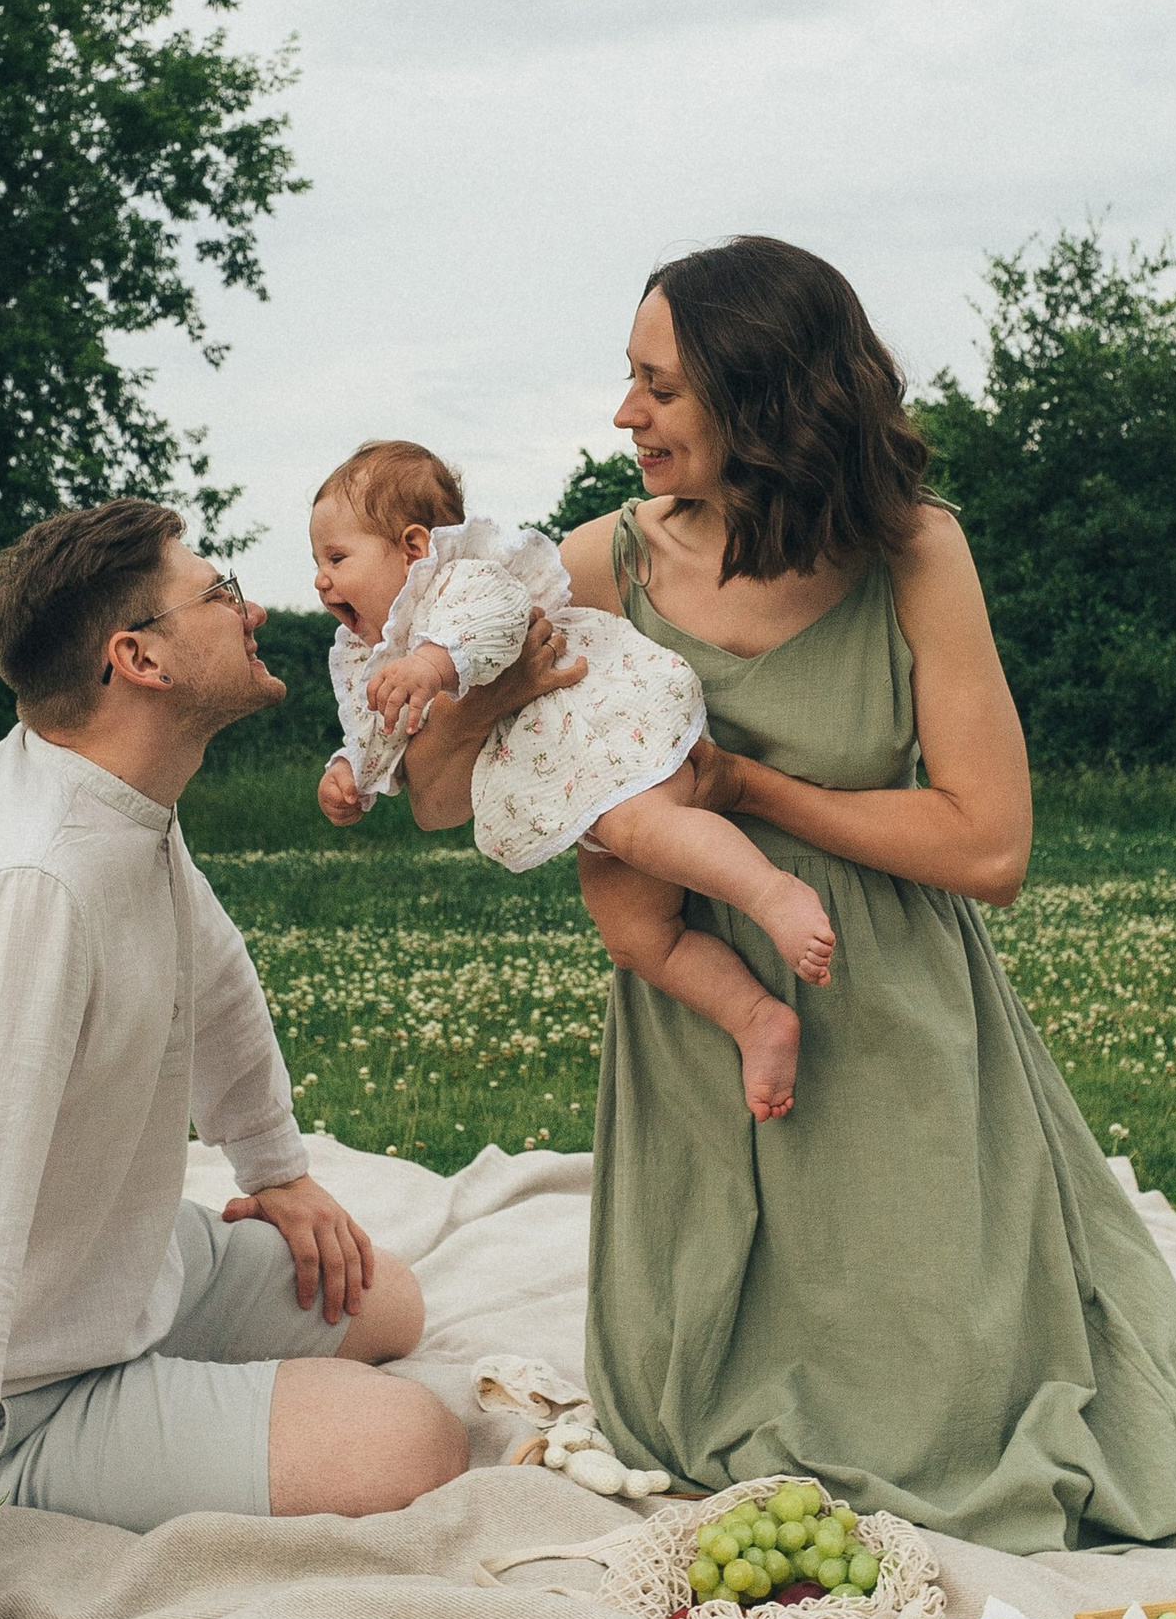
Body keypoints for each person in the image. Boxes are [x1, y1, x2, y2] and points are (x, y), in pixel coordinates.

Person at [403, 237, 1176, 1552]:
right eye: (630, 380)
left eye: (659, 386)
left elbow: (989, 848)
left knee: (953, 1433)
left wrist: (748, 791)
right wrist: (496, 695)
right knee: (678, 1419)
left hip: (884, 1000)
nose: (626, 414)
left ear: (765, 397)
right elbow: (440, 797)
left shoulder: (915, 552)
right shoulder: (600, 564)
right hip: (701, 1030)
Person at [0, 500, 471, 1619]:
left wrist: (276, 1174)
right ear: (140, 658)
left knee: (387, 1299)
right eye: (219, 587)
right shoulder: (24, 892)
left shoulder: (122, 806)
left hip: (107, 1275)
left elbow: (209, 977)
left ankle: (186, 1377)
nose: (255, 603)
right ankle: (81, 1454)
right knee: (416, 1443)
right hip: (15, 1391)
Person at [308, 437, 835, 1119]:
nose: (321, 580)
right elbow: (374, 727)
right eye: (316, 562)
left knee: (640, 826)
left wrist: (435, 667)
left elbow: (495, 624)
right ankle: (756, 1018)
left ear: (413, 548)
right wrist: (350, 771)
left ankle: (772, 895)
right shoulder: (362, 652)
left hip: (603, 730)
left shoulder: (458, 581)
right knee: (635, 935)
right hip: (570, 786)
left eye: (337, 558)